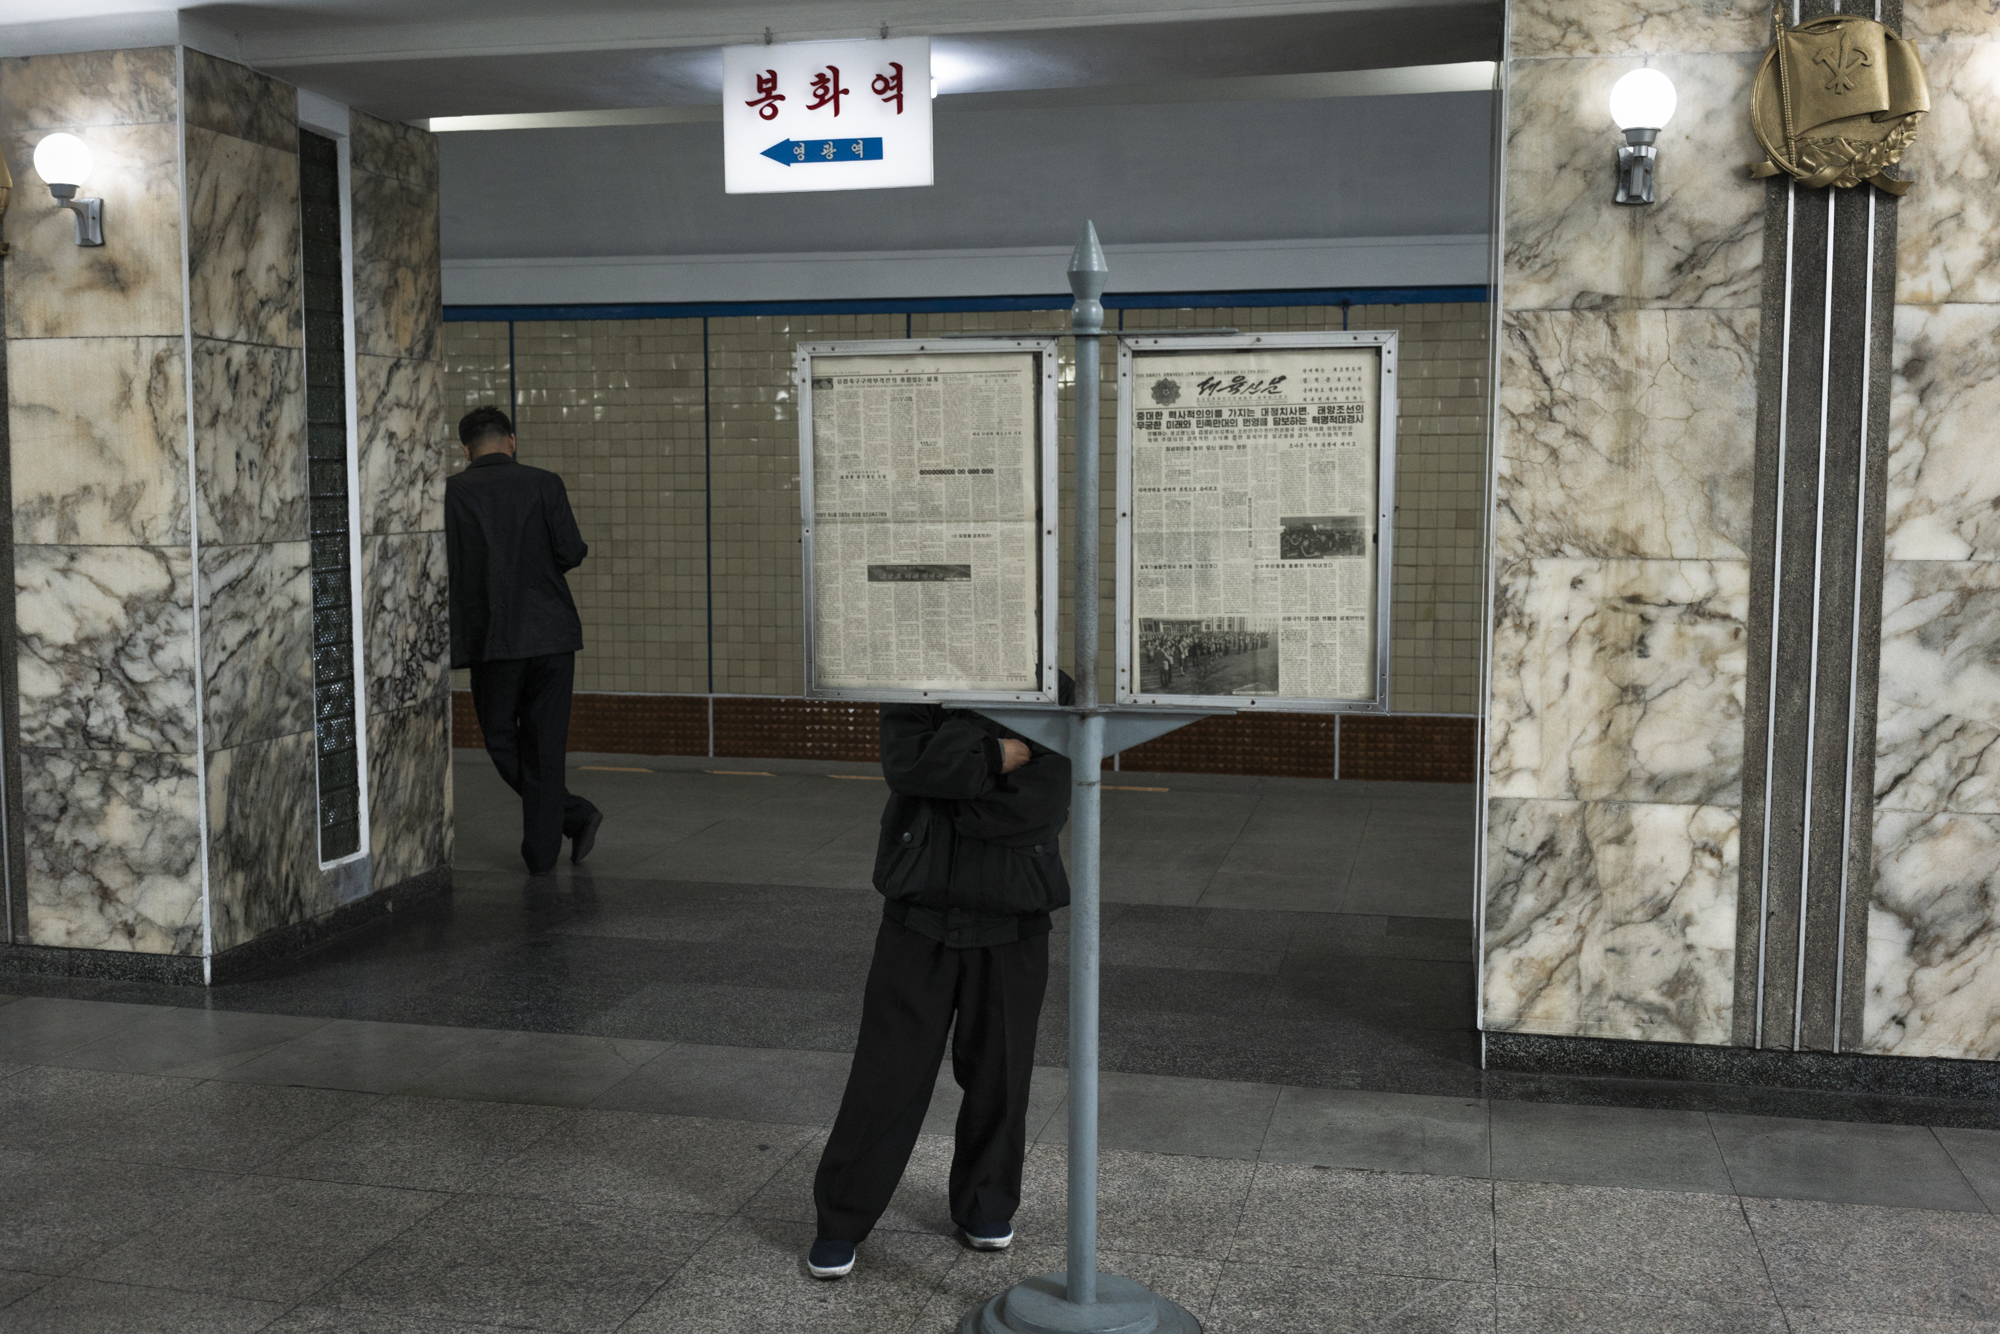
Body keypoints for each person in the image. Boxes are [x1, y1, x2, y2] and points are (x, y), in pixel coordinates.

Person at [806, 679, 1075, 1280]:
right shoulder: (914, 681)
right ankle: (840, 1221)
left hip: (1013, 918)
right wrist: (996, 754)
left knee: (1000, 1074)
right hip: (918, 914)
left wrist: (947, 780)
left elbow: (1041, 801)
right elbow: (906, 766)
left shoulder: (1054, 688)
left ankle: (985, 1206)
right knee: (885, 1075)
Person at [445, 407, 604, 874]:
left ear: (465, 449)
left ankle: (571, 821)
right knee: (546, 745)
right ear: (511, 441)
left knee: (501, 740)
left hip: (493, 640)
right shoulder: (545, 483)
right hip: (552, 636)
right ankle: (548, 846)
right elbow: (571, 552)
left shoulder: (451, 493)